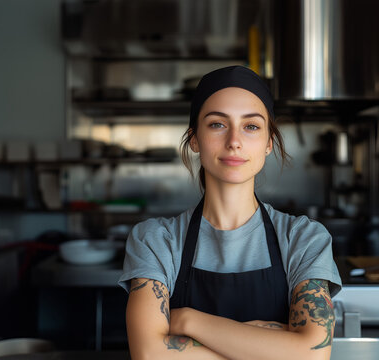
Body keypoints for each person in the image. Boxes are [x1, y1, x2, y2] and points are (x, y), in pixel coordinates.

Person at [118, 65, 342, 360]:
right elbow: (150, 354)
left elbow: (311, 355)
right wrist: (271, 346)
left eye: (251, 126)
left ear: (268, 143)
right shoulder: (156, 240)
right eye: (217, 124)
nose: (234, 141)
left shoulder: (304, 238)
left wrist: (186, 320)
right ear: (194, 138)